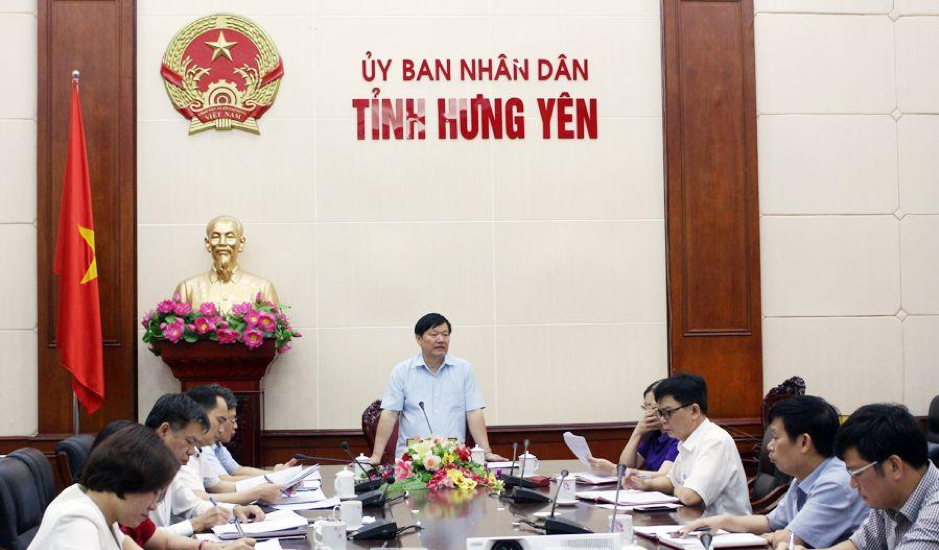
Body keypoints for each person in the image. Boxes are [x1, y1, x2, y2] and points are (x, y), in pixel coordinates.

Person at [680, 395, 868, 547]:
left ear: (804, 442)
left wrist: (777, 535)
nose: (769, 446)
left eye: (775, 437)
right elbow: (771, 522)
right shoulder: (805, 474)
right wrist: (721, 522)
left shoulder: (835, 483)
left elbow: (789, 539)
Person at [87, 421, 255, 550]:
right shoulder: (82, 520)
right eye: (154, 492)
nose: (153, 505)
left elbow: (164, 541)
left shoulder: (112, 517)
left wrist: (214, 548)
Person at [794, 404, 939, 550]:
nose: (852, 484)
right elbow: (857, 545)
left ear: (894, 466)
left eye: (857, 473)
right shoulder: (888, 497)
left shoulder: (936, 511)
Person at [368, 313, 506, 463]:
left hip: (453, 458)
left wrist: (487, 452)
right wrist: (376, 456)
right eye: (434, 334)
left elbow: (474, 412)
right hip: (412, 459)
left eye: (445, 335)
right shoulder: (402, 371)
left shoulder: (463, 369)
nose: (441, 339)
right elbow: (390, 414)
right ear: (418, 339)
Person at [27, 423, 178, 550]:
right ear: (127, 478)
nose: (153, 506)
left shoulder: (102, 510)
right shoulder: (77, 523)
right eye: (154, 492)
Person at [624, 373, 751, 515]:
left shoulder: (715, 441)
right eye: (661, 413)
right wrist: (644, 484)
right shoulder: (687, 439)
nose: (663, 420)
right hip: (699, 522)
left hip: (726, 527)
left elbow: (691, 496)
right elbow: (671, 481)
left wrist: (677, 488)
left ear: (694, 411)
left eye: (668, 412)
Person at [144, 393, 264, 535]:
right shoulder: (133, 465)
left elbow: (193, 505)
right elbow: (143, 537)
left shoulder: (166, 466)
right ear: (164, 430)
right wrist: (196, 524)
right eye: (189, 441)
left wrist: (234, 510)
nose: (192, 451)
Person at [179, 385, 284, 504]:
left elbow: (219, 486)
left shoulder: (199, 449)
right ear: (199, 417)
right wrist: (256, 493)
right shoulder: (181, 451)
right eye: (220, 421)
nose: (221, 430)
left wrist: (271, 481)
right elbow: (196, 500)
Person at [174, 215, 278, 313]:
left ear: (241, 243)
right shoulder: (187, 289)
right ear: (208, 243)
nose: (222, 242)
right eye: (215, 237)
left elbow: (273, 324)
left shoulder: (263, 288)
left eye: (230, 237)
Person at [202, 384, 298, 480]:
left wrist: (275, 474)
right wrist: (274, 476)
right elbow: (223, 481)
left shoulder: (216, 444)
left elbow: (237, 470)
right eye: (232, 419)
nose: (235, 426)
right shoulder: (203, 446)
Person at [587, 380, 679, 477]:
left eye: (653, 407)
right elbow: (626, 466)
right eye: (646, 407)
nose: (648, 413)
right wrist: (637, 432)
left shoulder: (677, 436)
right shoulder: (654, 434)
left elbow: (664, 476)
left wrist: (613, 470)